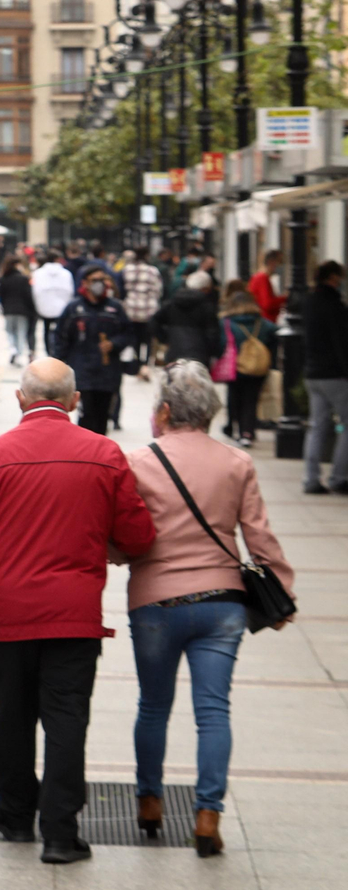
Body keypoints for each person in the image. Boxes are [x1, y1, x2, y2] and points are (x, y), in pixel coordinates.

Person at [0, 358, 156, 864]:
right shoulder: (104, 454)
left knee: (13, 716)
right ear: (75, 400)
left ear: (21, 400)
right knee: (67, 719)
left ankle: (16, 814)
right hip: (74, 616)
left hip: (7, 614)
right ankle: (61, 833)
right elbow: (137, 535)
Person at [123, 361, 294, 857]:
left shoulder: (139, 461)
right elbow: (258, 535)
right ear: (212, 413)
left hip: (155, 601)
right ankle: (206, 813)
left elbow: (125, 535)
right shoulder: (237, 463)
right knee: (213, 711)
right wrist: (281, 590)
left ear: (166, 410)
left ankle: (150, 802)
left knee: (153, 706)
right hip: (222, 603)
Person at [55, 267, 134, 436]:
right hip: (82, 372)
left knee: (103, 417)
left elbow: (128, 333)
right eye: (94, 280)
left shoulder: (115, 308)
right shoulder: (74, 309)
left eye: (102, 280)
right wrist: (59, 366)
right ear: (85, 283)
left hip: (108, 372)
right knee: (86, 416)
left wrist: (114, 344)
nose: (99, 284)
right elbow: (61, 338)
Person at [305, 260, 348, 495]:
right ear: (332, 278)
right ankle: (339, 477)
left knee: (317, 426)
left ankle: (310, 479)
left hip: (313, 373)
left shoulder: (310, 302)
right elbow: (341, 342)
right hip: (334, 374)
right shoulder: (334, 305)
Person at [219, 285, 274, 446]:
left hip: (235, 366)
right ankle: (247, 432)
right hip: (258, 367)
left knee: (233, 396)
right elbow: (275, 333)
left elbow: (221, 343)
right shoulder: (262, 323)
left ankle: (233, 425)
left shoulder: (226, 323)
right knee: (251, 399)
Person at [151, 269, 223, 367]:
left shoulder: (172, 303)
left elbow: (154, 321)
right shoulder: (206, 306)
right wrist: (212, 352)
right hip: (200, 353)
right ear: (205, 289)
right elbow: (213, 333)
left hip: (175, 350)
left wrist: (165, 339)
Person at [118, 248, 164, 377]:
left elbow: (121, 291)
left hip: (132, 309)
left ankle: (137, 362)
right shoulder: (153, 271)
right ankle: (146, 363)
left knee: (136, 338)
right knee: (148, 339)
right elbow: (158, 290)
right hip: (149, 309)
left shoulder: (127, 270)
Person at [31, 251, 76, 354]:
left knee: (46, 330)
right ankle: (58, 350)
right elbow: (70, 291)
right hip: (62, 308)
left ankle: (48, 351)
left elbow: (35, 291)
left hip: (44, 308)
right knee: (61, 330)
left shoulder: (38, 273)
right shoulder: (66, 273)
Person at [0, 255, 36, 365]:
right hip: (23, 311)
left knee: (10, 332)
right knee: (21, 333)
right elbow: (28, 295)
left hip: (8, 310)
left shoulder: (3, 278)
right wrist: (32, 310)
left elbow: (1, 295)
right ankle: (18, 354)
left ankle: (13, 350)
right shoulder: (24, 279)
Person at [248, 249, 286, 322]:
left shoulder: (260, 277)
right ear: (271, 262)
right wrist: (284, 299)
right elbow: (267, 304)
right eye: (279, 262)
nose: (280, 266)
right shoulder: (262, 278)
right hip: (265, 320)